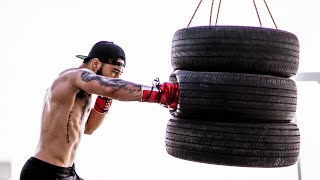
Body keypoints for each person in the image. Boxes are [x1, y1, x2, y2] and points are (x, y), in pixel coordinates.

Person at [19, 41, 179, 180]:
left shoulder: (83, 90)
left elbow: (89, 128)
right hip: (44, 173)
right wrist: (160, 94)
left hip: (66, 171)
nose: (116, 78)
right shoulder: (74, 76)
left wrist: (105, 99)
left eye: (119, 74)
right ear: (95, 63)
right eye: (114, 72)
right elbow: (113, 89)